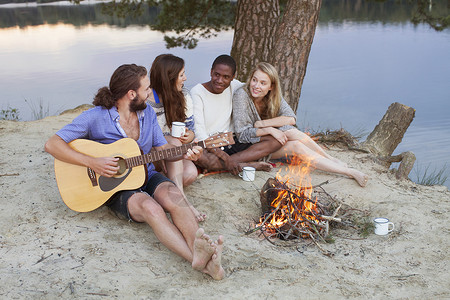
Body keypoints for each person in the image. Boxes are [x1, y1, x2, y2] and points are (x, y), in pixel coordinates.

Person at [44, 64, 225, 280]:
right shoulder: (95, 117)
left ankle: (200, 257)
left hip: (145, 172)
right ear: (131, 94)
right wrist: (93, 162)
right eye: (146, 88)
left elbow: (162, 149)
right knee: (151, 208)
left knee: (175, 197)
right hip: (112, 188)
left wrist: (186, 153)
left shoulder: (147, 113)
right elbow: (52, 144)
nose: (150, 93)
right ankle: (199, 261)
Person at [232, 62, 369, 187]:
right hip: (252, 147)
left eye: (263, 83)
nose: (256, 86)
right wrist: (269, 130)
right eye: (254, 80)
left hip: (270, 141)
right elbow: (242, 135)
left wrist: (261, 123)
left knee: (295, 138)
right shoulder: (242, 95)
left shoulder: (273, 96)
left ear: (270, 87)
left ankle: (334, 161)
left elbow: (291, 119)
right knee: (292, 138)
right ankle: (348, 172)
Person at [191, 54, 282, 175]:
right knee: (200, 157)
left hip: (231, 140)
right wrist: (225, 157)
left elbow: (258, 88)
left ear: (233, 77)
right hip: (210, 146)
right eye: (216, 74)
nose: (219, 81)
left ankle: (225, 165)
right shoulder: (197, 92)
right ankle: (246, 165)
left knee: (274, 141)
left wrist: (272, 126)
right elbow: (200, 135)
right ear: (211, 72)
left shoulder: (236, 86)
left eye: (226, 77)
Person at [147, 54, 205, 222]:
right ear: (169, 78)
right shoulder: (146, 100)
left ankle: (163, 189)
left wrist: (189, 137)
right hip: (152, 154)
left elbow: (192, 130)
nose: (185, 78)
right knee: (172, 141)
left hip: (174, 154)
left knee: (190, 173)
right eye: (181, 75)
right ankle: (183, 201)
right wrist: (168, 140)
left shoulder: (183, 95)